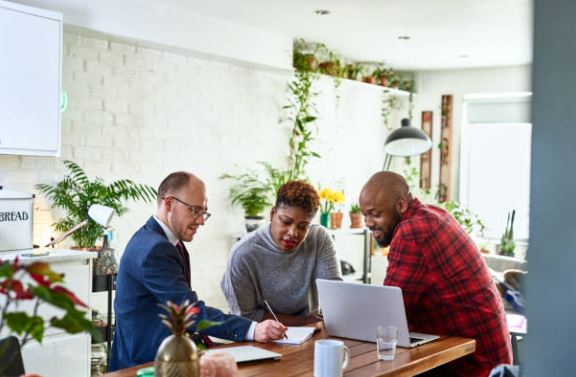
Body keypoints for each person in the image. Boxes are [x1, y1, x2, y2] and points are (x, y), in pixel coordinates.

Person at [109, 172, 286, 371]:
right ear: (169, 203)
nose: (201, 221)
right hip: (143, 367)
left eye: (204, 212)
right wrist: (253, 329)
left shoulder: (164, 241)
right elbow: (189, 312)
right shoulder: (156, 249)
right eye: (195, 210)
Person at [359, 172, 512, 377]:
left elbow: (389, 315)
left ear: (401, 204)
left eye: (375, 213)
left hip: (472, 365)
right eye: (364, 215)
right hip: (492, 359)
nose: (368, 222)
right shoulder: (433, 213)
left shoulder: (412, 231)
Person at [221, 180, 342, 326]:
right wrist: (303, 322)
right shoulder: (243, 254)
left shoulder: (319, 238)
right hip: (261, 337)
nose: (293, 233)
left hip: (311, 332)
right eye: (286, 222)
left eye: (303, 226)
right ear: (272, 214)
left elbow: (335, 296)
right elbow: (245, 316)